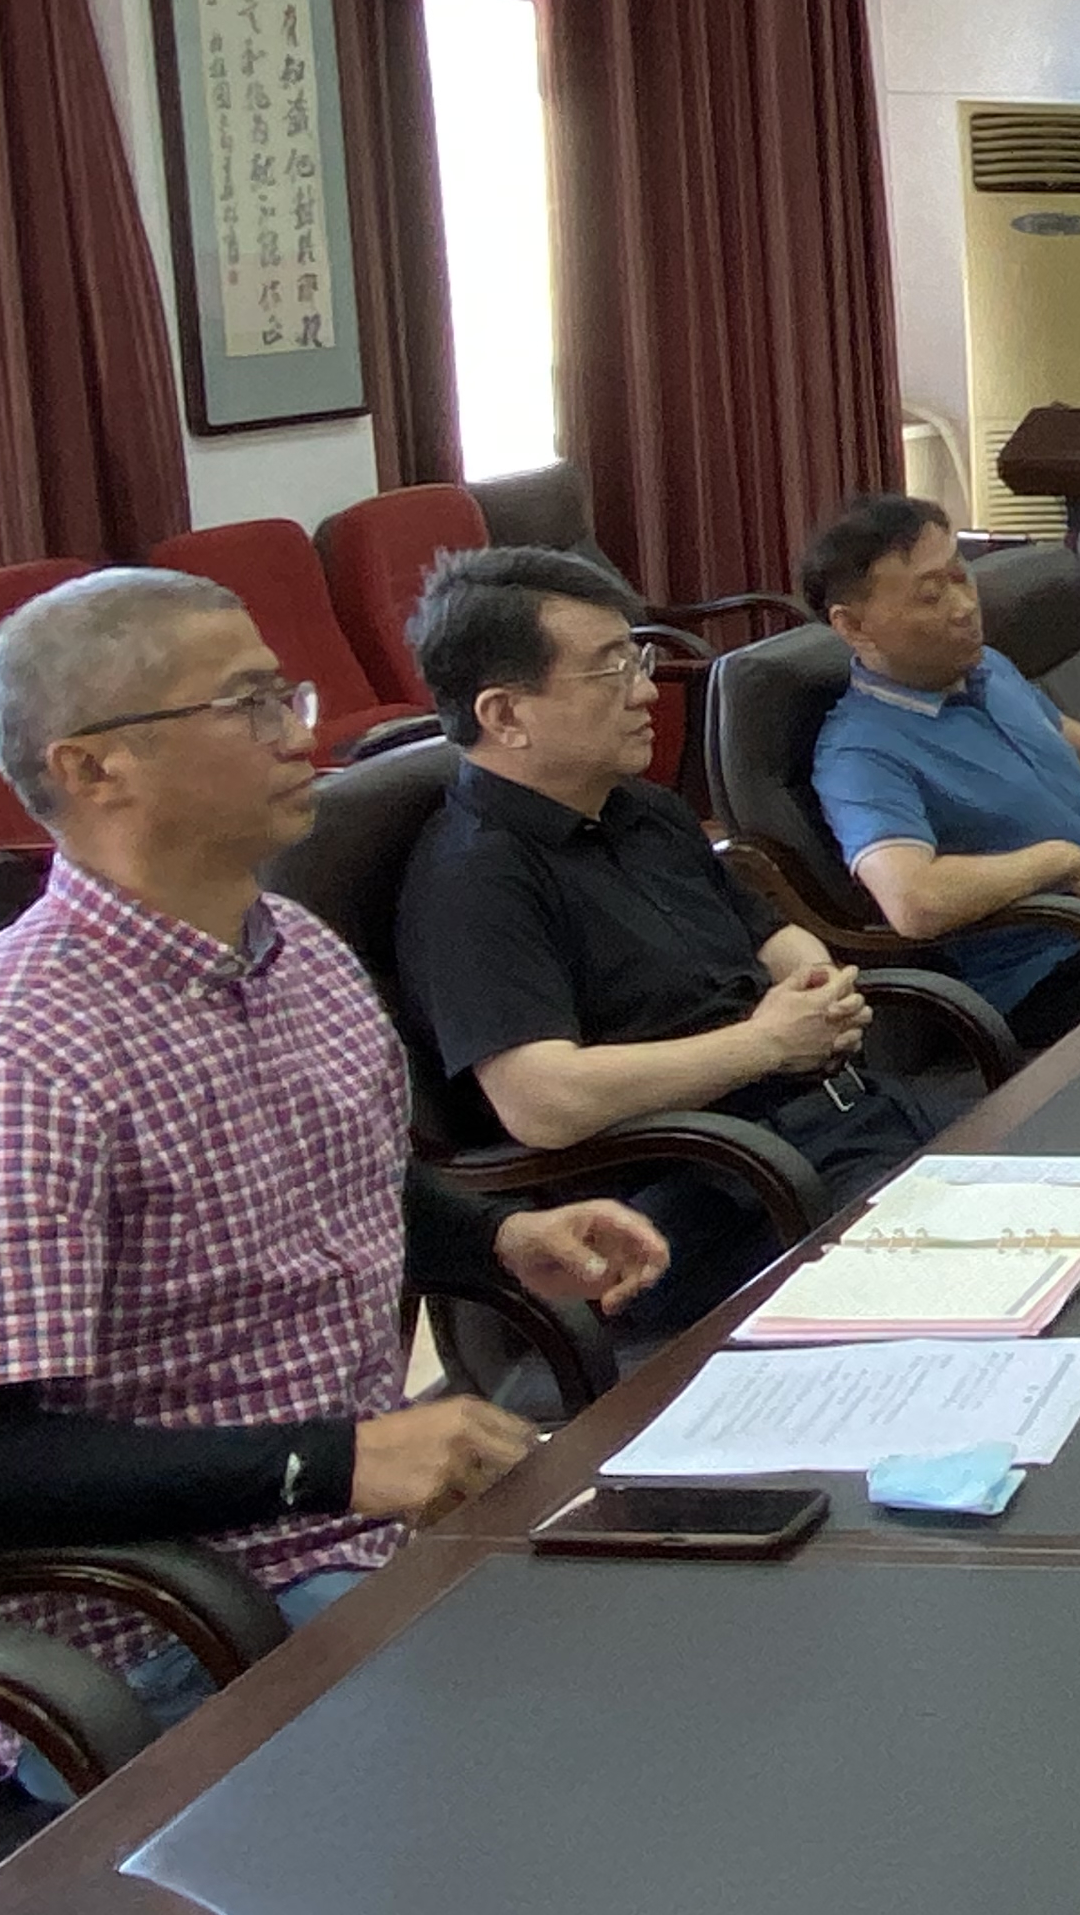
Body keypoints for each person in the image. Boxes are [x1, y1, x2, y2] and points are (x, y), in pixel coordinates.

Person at [0, 570, 665, 1784]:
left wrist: (497, 1237)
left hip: (371, 1538)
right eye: (246, 706)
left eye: (287, 695)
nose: (299, 734)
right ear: (94, 768)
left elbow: (330, 1182)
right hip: (173, 1627)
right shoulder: (19, 1048)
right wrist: (335, 1463)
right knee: (600, 1763)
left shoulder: (297, 953)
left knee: (717, 1648)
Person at [398, 546, 933, 1341]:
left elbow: (778, 940)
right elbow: (542, 1099)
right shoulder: (474, 877)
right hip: (704, 1205)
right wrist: (764, 1044)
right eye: (610, 670)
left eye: (637, 658)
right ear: (505, 715)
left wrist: (815, 990)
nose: (647, 690)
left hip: (827, 1128)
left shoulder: (644, 810)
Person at [801, 494, 1080, 1052]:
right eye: (931, 595)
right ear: (854, 625)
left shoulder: (985, 667)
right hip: (1065, 971)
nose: (963, 607)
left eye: (961, 576)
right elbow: (913, 900)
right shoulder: (860, 752)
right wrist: (1060, 861)